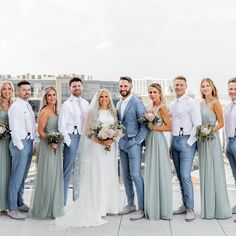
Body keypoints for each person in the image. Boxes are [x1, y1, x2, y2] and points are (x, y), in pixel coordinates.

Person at [55, 88, 121, 227]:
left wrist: (113, 138)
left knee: (109, 173)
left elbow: (117, 128)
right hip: (97, 147)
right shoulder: (92, 112)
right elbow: (88, 131)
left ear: (109, 98)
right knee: (98, 173)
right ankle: (98, 206)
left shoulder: (113, 112)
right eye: (101, 97)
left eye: (106, 96)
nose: (104, 99)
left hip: (110, 148)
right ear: (97, 99)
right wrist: (101, 140)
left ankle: (108, 206)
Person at [169, 76, 201, 222]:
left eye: (181, 85)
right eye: (176, 85)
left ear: (185, 86)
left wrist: (189, 142)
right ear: (173, 86)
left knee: (186, 176)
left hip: (186, 141)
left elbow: (198, 124)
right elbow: (171, 126)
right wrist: (171, 143)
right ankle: (184, 205)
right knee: (180, 176)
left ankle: (190, 208)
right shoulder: (172, 104)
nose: (178, 87)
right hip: (175, 141)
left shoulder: (191, 103)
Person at [198, 78, 231, 219]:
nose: (205, 88)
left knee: (214, 171)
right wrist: (201, 131)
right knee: (205, 172)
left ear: (212, 87)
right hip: (202, 141)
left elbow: (221, 123)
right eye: (203, 86)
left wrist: (209, 131)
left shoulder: (215, 102)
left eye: (207, 86)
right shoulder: (201, 103)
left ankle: (218, 209)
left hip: (211, 140)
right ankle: (207, 209)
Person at [29, 87, 64, 219]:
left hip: (56, 146)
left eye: (54, 95)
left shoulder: (56, 110)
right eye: (49, 95)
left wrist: (57, 141)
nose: (52, 97)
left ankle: (52, 208)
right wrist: (50, 140)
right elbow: (40, 130)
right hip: (47, 146)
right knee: (47, 176)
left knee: (54, 177)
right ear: (46, 97)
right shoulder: (45, 111)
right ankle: (43, 209)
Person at [117, 76, 148, 221]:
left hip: (134, 144)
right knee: (125, 175)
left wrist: (137, 141)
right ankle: (130, 204)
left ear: (131, 87)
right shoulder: (118, 104)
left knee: (136, 175)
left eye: (125, 86)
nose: (123, 89)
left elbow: (145, 125)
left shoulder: (137, 102)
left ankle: (142, 208)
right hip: (122, 144)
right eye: (121, 86)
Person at [7, 80, 36, 220]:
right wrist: (20, 146)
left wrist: (33, 144)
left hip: (29, 142)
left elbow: (30, 126)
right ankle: (11, 208)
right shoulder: (15, 107)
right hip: (21, 144)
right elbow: (13, 128)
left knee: (23, 176)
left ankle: (19, 203)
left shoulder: (27, 105)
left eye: (29, 90)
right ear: (18, 91)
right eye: (24, 90)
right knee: (16, 177)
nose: (27, 92)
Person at [58, 77, 89, 205]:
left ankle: (77, 202)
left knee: (80, 171)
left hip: (84, 139)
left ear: (82, 87)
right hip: (72, 138)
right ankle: (62, 204)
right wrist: (69, 143)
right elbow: (61, 126)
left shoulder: (86, 103)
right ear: (70, 88)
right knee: (67, 172)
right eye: (74, 86)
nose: (77, 88)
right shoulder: (66, 105)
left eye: (78, 86)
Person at [144, 83, 173, 220]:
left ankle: (162, 208)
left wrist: (153, 128)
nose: (152, 94)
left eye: (154, 92)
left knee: (160, 170)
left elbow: (169, 127)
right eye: (150, 92)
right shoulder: (149, 107)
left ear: (160, 93)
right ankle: (152, 206)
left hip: (158, 140)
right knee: (151, 171)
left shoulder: (163, 108)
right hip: (150, 140)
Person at [0, 81, 14, 214]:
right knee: (1, 170)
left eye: (9, 89)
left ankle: (7, 203)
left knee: (9, 171)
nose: (7, 91)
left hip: (12, 141)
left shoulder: (14, 104)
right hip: (0, 142)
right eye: (4, 89)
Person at [224, 78, 236, 214]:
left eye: (235, 89)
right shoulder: (228, 106)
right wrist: (227, 146)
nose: (232, 91)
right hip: (230, 142)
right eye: (230, 89)